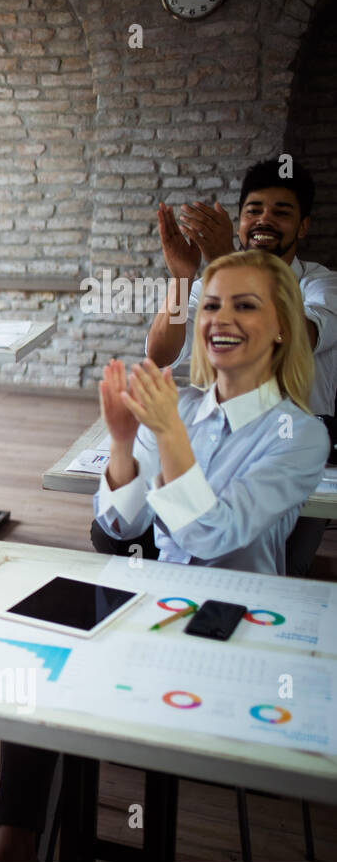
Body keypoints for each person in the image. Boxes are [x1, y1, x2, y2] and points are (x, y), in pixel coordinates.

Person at [0, 250, 329, 862]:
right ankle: (15, 844)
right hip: (156, 598)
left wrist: (167, 431)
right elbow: (121, 523)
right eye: (212, 304)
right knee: (43, 655)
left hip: (239, 625)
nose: (221, 318)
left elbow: (211, 536)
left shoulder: (299, 433)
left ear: (283, 324)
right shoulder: (185, 407)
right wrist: (123, 443)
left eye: (245, 305)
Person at [137, 158, 337, 575]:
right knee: (127, 532)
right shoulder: (215, 281)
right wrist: (181, 277)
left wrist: (226, 258)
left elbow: (302, 336)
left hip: (291, 450)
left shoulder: (321, 284)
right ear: (240, 221)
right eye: (254, 210)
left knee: (282, 566)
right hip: (214, 441)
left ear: (303, 227)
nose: (265, 219)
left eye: (281, 212)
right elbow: (160, 354)